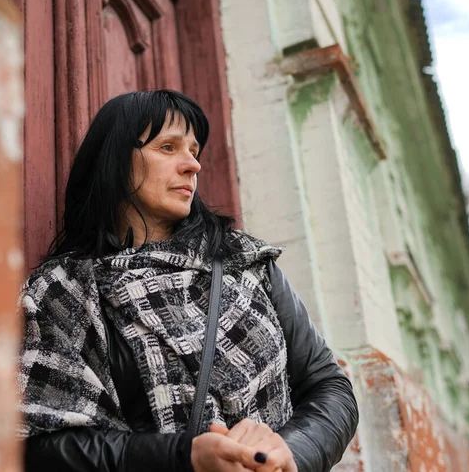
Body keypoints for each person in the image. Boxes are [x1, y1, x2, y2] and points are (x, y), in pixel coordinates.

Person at [18, 90, 358, 472]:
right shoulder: (66, 291)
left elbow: (329, 387)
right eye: (168, 147)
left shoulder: (243, 263)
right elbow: (44, 445)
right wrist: (184, 457)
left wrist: (290, 454)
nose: (193, 166)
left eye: (194, 151)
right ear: (115, 161)